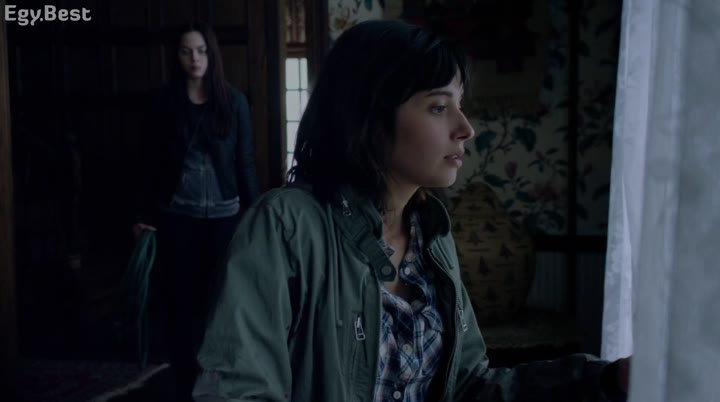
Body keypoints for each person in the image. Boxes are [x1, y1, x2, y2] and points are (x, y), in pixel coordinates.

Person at [193, 20, 629, 402]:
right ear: (370, 116)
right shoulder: (285, 227)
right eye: (439, 107)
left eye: (459, 104)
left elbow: (468, 387)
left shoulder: (431, 237)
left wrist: (606, 381)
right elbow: (236, 391)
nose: (465, 128)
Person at [131, 20, 260, 401]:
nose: (194, 59)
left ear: (212, 54)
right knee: (180, 305)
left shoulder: (234, 102)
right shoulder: (163, 103)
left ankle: (220, 384)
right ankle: (185, 385)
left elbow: (245, 162)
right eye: (187, 51)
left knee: (221, 304)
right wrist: (140, 215)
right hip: (178, 218)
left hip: (225, 218)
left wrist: (256, 216)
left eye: (201, 51)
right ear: (177, 56)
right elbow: (148, 163)